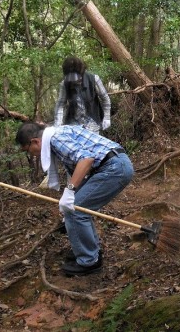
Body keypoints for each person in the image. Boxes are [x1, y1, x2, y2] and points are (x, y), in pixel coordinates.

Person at [16, 122, 134, 276]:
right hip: (113, 164)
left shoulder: (56, 138)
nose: (31, 154)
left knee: (76, 211)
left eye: (28, 150)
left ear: (35, 142)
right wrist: (70, 195)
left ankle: (89, 261)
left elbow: (86, 159)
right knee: (75, 208)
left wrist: (70, 191)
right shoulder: (57, 134)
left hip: (113, 167)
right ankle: (90, 250)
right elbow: (79, 167)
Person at [54, 56, 111, 134]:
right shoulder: (65, 84)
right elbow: (60, 105)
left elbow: (105, 99)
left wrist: (107, 118)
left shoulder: (94, 79)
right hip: (73, 124)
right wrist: (57, 124)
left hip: (92, 123)